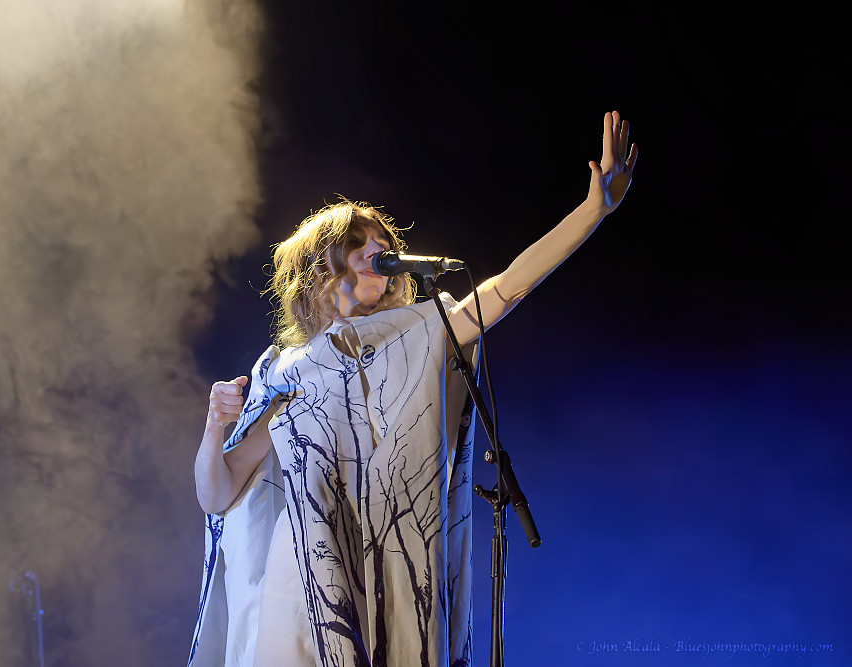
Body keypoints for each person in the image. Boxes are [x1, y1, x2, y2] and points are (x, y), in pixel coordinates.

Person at [189, 111, 638, 666]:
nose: (379, 245)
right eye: (359, 240)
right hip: (304, 586)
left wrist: (594, 210)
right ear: (320, 266)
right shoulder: (289, 371)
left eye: (383, 240)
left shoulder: (419, 334)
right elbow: (218, 495)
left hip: (391, 578)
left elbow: (508, 289)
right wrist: (216, 429)